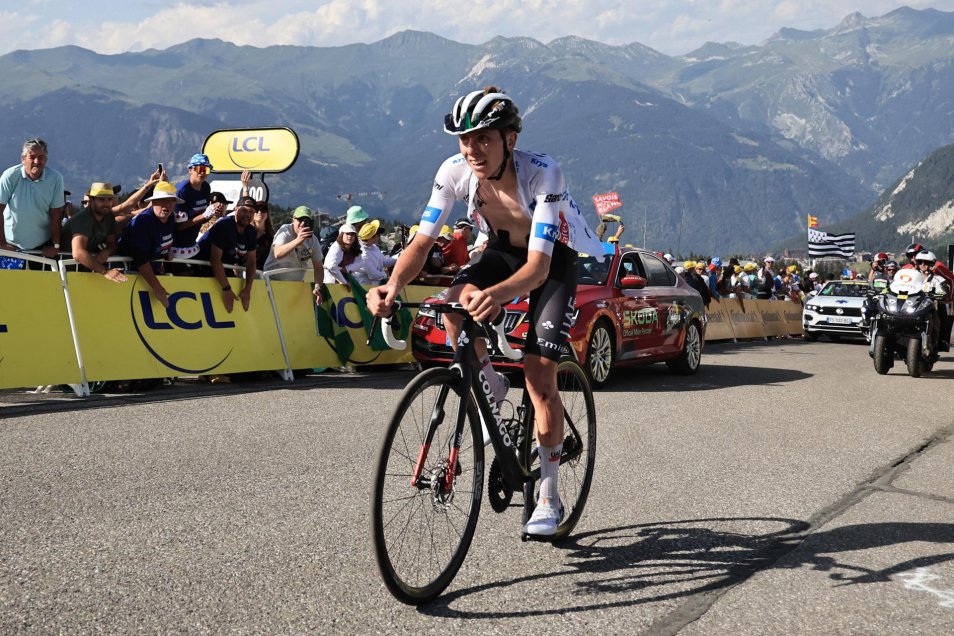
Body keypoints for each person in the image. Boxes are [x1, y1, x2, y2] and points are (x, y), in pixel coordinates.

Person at [367, 86, 604, 537]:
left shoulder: (543, 173)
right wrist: (393, 285)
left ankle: (549, 498)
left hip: (553, 259)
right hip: (500, 249)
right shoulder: (454, 171)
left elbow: (538, 267)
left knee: (538, 375)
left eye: (483, 138)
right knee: (453, 312)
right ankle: (491, 382)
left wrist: (495, 294)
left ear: (509, 140)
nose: (472, 149)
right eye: (464, 139)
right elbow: (422, 240)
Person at [0, 138, 65, 259]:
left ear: (46, 160)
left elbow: (56, 216)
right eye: (32, 157)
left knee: (43, 279)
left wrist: (55, 246)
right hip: (11, 247)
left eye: (41, 157)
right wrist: (1, 244)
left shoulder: (56, 179)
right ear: (23, 159)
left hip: (42, 248)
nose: (36, 161)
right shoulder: (9, 176)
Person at [118, 181, 178, 307]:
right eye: (162, 201)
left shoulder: (171, 217)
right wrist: (157, 287)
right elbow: (140, 258)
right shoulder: (143, 222)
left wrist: (166, 251)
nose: (166, 205)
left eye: (171, 201)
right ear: (153, 202)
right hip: (127, 274)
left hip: (150, 272)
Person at [196, 195, 258, 313]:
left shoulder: (251, 231)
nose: (247, 214)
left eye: (251, 212)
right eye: (244, 210)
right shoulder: (224, 226)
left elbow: (252, 262)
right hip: (202, 266)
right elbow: (214, 260)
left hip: (224, 266)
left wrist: (248, 289)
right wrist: (226, 289)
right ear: (235, 209)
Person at [61, 182, 127, 282]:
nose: (106, 204)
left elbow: (112, 243)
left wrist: (107, 251)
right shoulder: (82, 219)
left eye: (109, 199)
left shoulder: (109, 216)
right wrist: (105, 271)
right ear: (91, 200)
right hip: (64, 272)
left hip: (85, 270)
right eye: (101, 199)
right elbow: (78, 253)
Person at [263, 205, 324, 304]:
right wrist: (297, 241)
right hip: (272, 283)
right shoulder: (285, 230)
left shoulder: (313, 239)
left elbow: (319, 267)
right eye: (300, 219)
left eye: (307, 220)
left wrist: (317, 287)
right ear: (293, 220)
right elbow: (277, 253)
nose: (303, 223)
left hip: (295, 287)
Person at [171, 153, 218, 266]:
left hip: (192, 243)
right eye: (199, 168)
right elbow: (178, 226)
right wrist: (204, 216)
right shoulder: (182, 191)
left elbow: (202, 219)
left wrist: (211, 215)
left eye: (206, 170)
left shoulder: (206, 187)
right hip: (177, 246)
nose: (202, 172)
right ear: (190, 170)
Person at [353, 219, 396, 286]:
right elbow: (373, 275)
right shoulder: (363, 254)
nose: (379, 236)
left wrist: (399, 257)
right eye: (378, 234)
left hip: (376, 286)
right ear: (372, 237)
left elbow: (384, 261)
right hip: (365, 288)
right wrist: (386, 275)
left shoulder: (374, 247)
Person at [251, 200, 274, 270]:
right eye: (257, 210)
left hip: (263, 274)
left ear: (267, 214)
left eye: (263, 210)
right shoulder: (245, 232)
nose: (260, 212)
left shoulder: (271, 237)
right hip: (244, 271)